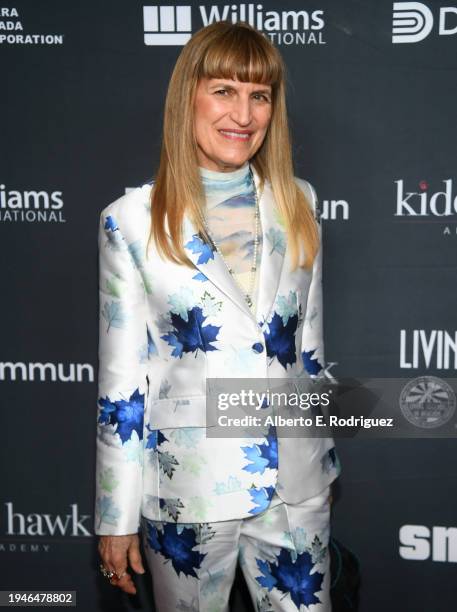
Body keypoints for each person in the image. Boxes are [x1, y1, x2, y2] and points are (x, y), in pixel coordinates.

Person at [95, 20, 341, 611]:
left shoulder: (299, 202)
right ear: (189, 98)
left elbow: (307, 348)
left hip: (295, 484)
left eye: (259, 95)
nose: (244, 114)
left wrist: (321, 459)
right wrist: (114, 515)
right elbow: (123, 384)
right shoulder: (130, 220)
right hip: (189, 487)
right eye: (224, 91)